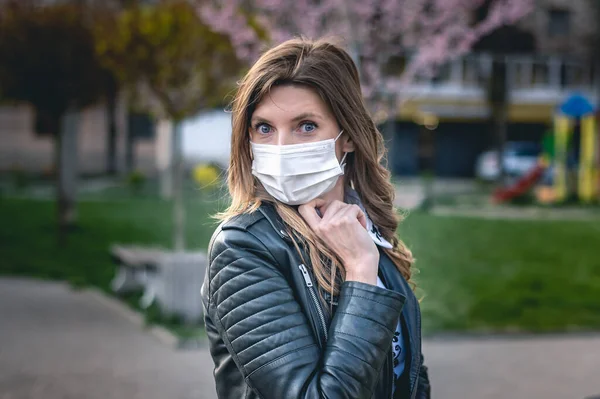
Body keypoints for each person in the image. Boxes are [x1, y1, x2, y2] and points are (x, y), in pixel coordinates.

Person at [201, 37, 431, 399]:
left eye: (305, 126)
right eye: (264, 128)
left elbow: (409, 374)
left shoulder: (360, 228)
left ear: (348, 137)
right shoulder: (243, 248)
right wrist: (359, 270)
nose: (281, 148)